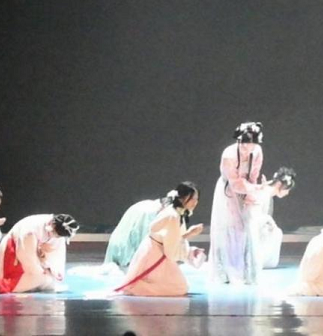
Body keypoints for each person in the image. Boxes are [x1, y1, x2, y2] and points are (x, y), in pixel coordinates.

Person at [115, 182, 206, 296]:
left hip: (156, 249)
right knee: (179, 287)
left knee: (179, 286)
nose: (195, 202)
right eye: (192, 199)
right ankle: (135, 288)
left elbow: (171, 238)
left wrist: (188, 238)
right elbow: (171, 250)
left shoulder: (176, 212)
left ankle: (135, 286)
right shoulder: (173, 216)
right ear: (182, 198)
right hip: (156, 254)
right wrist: (189, 238)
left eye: (196, 199)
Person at [209, 122, 265, 284]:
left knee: (247, 228)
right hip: (228, 192)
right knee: (228, 228)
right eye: (243, 143)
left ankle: (247, 272)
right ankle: (226, 272)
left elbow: (254, 174)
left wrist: (251, 193)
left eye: (250, 144)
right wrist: (253, 188)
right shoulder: (229, 154)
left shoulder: (257, 151)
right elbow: (234, 183)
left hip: (247, 189)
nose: (246, 147)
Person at [0, 213, 79, 294]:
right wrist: (40, 269)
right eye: (56, 234)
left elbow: (55, 256)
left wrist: (47, 265)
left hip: (34, 256)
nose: (57, 237)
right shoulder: (31, 230)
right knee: (40, 278)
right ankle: (2, 285)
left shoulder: (57, 235)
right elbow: (26, 257)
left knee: (50, 281)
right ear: (53, 225)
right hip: (14, 251)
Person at [103, 186, 188, 271]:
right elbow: (144, 241)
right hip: (127, 256)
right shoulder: (152, 214)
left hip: (121, 251)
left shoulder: (151, 207)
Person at [249, 166, 297, 269]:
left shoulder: (267, 194)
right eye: (287, 189)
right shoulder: (264, 193)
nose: (287, 192)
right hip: (253, 225)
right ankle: (258, 259)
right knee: (275, 233)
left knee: (276, 232)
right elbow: (254, 215)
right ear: (279, 184)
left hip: (259, 224)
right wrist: (268, 221)